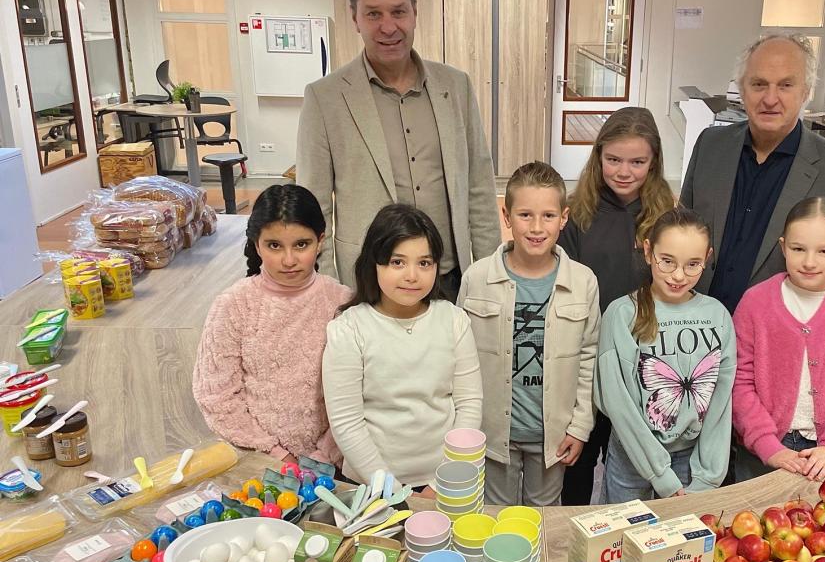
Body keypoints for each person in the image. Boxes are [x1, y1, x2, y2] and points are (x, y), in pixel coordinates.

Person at [680, 33, 825, 427]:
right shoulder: (711, 146)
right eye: (759, 84)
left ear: (806, 91)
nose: (770, 98)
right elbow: (683, 231)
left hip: (774, 359)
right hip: (696, 341)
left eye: (785, 85)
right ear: (741, 89)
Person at [297, 0, 499, 298]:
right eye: (374, 13)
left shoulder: (456, 86)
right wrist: (329, 289)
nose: (388, 27)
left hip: (449, 277)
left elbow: (478, 185)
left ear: (415, 12)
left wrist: (490, 273)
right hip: (371, 280)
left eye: (398, 11)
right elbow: (315, 207)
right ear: (355, 18)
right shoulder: (325, 98)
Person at [458, 162, 600, 507]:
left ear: (564, 218)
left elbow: (589, 357)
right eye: (525, 215)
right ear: (506, 215)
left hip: (551, 436)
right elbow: (458, 358)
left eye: (548, 216)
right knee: (493, 516)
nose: (537, 228)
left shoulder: (583, 282)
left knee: (543, 519)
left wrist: (579, 427)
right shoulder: (477, 279)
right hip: (492, 435)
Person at [558, 107, 676, 505]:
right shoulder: (578, 214)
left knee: (630, 464)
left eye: (637, 162)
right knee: (579, 459)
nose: (624, 171)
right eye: (613, 160)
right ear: (598, 157)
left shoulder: (667, 217)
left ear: (654, 162)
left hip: (642, 363)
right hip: (587, 360)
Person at [322, 204, 482, 492]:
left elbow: (469, 404)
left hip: (445, 481)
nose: (412, 275)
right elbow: (346, 422)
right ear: (375, 262)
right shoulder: (348, 328)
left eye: (424, 263)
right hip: (370, 486)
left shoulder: (454, 320)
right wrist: (391, 490)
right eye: (398, 262)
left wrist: (444, 480)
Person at [192, 184, 351, 465]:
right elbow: (216, 395)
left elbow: (362, 389)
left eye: (301, 244)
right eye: (274, 246)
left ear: (321, 240)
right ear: (256, 244)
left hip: (338, 457)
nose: (289, 260)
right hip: (257, 458)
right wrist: (276, 454)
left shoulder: (342, 302)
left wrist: (326, 452)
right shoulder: (233, 305)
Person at [733, 197, 825, 482]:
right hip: (759, 455)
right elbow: (738, 382)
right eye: (798, 249)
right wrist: (767, 444)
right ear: (782, 247)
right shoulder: (754, 303)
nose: (810, 262)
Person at [595, 207, 736, 503]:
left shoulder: (717, 315)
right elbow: (617, 401)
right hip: (633, 457)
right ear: (648, 251)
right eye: (667, 261)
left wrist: (707, 475)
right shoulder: (622, 314)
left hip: (692, 459)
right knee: (620, 541)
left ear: (707, 258)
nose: (678, 275)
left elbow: (721, 400)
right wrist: (659, 473)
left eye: (692, 264)